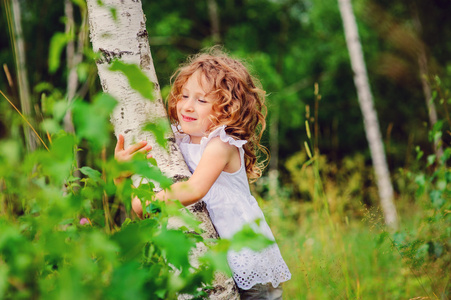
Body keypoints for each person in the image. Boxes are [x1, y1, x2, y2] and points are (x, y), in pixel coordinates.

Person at [115, 48, 291, 299]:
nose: (187, 106)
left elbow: (194, 189)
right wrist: (121, 174)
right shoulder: (172, 139)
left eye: (202, 100)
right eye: (184, 95)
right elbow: (135, 200)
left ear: (229, 108)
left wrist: (148, 205)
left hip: (246, 259)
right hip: (204, 260)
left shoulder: (222, 143)